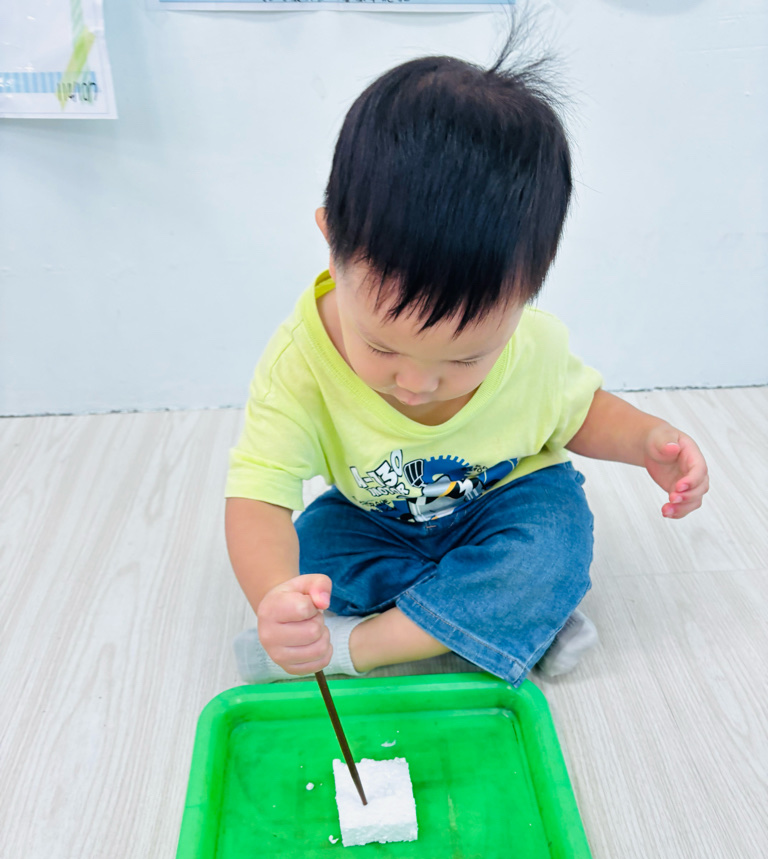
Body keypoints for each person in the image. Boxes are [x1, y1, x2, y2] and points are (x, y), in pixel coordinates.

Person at [224, 35, 709, 687]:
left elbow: (580, 411)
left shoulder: (531, 343)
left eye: (466, 358)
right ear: (332, 244)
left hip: (503, 503)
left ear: (526, 293)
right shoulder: (299, 363)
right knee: (310, 555)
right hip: (379, 518)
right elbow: (258, 495)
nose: (417, 383)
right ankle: (501, 622)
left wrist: (648, 440)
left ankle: (367, 645)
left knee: (551, 548)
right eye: (382, 347)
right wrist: (275, 598)